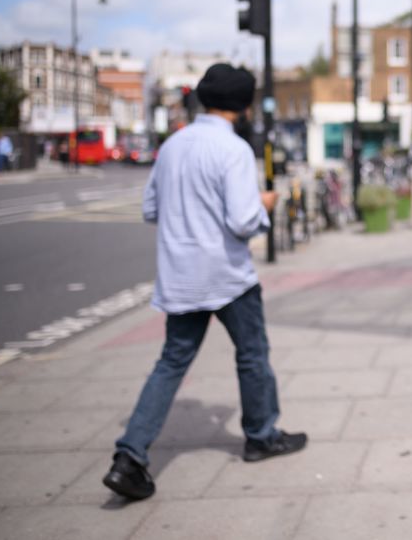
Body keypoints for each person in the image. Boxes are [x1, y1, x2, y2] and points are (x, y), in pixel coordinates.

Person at [102, 64, 306, 502]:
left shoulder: (172, 146)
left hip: (180, 276)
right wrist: (264, 203)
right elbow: (242, 219)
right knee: (252, 355)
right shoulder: (231, 150)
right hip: (228, 276)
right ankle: (261, 435)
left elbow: (151, 208)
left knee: (171, 362)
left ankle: (129, 456)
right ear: (243, 106)